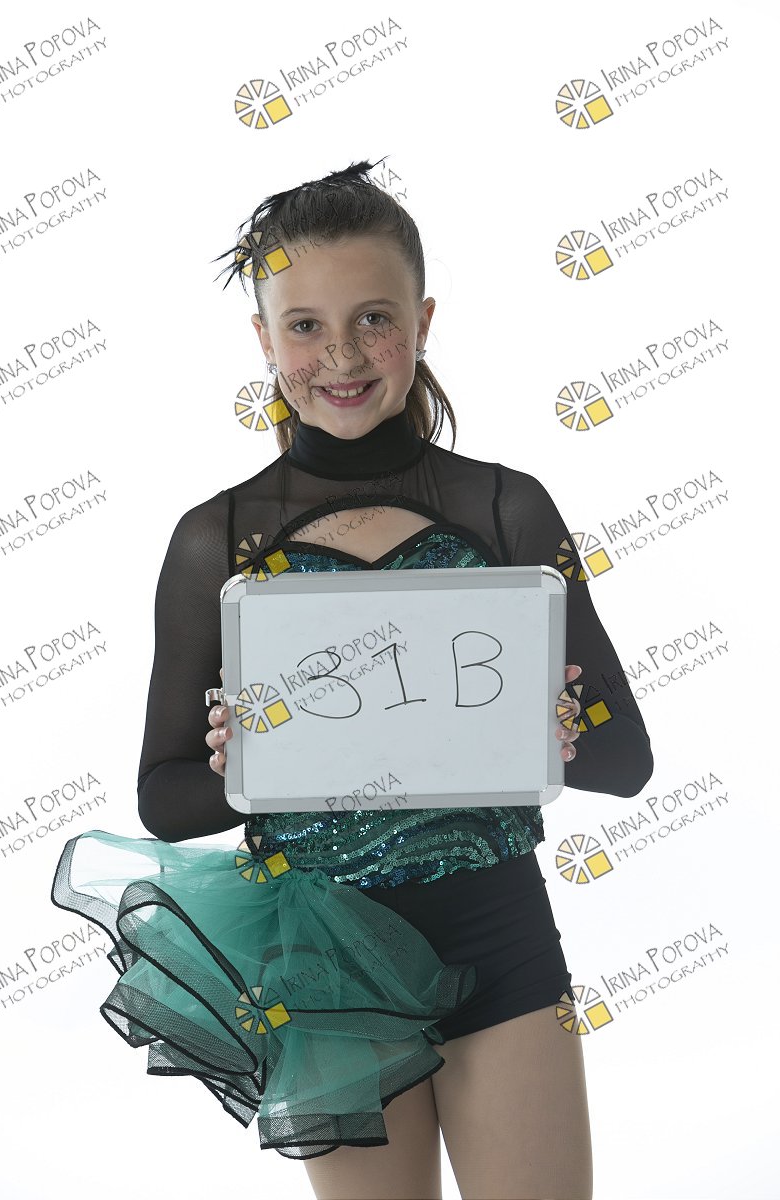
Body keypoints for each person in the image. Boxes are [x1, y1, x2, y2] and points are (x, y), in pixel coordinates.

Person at [51, 160, 653, 1200]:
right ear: (262, 338)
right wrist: (249, 765)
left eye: (373, 319)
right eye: (304, 326)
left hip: (498, 934)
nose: (339, 354)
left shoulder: (505, 509)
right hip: (322, 961)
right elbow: (165, 796)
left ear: (422, 322)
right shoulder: (217, 540)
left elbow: (624, 760)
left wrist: (554, 724)